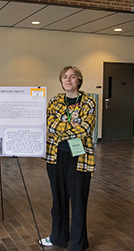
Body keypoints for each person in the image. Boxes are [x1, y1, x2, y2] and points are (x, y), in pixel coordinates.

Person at [40, 66, 96, 251]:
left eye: (72, 77)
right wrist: (72, 126)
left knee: (78, 202)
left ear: (79, 80)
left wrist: (63, 127)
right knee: (58, 201)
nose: (68, 80)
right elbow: (50, 124)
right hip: (56, 158)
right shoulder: (55, 100)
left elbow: (85, 128)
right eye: (64, 77)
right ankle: (58, 238)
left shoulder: (88, 101)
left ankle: (77, 243)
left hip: (80, 159)